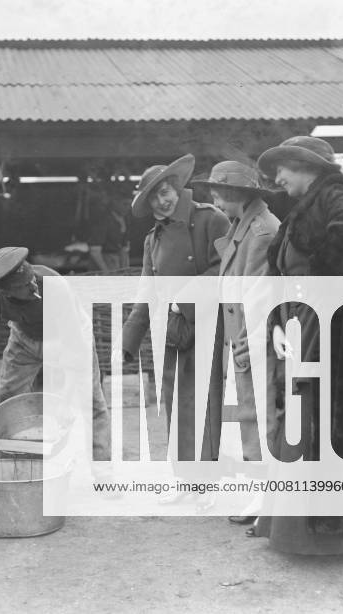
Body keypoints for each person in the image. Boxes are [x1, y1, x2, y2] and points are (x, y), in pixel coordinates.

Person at [254, 135, 343, 576]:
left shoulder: (334, 196)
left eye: (281, 171)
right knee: (303, 428)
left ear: (303, 165)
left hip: (330, 333)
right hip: (300, 328)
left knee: (339, 431)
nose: (277, 180)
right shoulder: (301, 209)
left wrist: (321, 298)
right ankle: (298, 530)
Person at [121, 155, 229, 503]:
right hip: (168, 333)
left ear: (177, 188)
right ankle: (185, 482)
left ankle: (208, 486)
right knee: (175, 408)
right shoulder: (152, 240)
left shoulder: (211, 220)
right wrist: (128, 342)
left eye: (164, 192)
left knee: (203, 407)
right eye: (153, 198)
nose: (161, 201)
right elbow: (146, 291)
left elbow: (226, 270)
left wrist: (186, 298)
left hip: (204, 326)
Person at [192, 160, 280, 523]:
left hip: (254, 339)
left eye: (219, 191)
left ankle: (270, 499)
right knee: (251, 416)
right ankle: (263, 495)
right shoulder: (243, 227)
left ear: (237, 193)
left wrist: (251, 341)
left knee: (262, 416)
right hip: (242, 336)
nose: (215, 198)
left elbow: (263, 298)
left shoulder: (260, 232)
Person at [0, 246, 111, 463]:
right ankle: (9, 464)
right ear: (6, 292)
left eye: (32, 280)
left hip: (68, 336)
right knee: (7, 400)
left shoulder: (54, 285)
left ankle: (102, 469)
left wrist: (64, 401)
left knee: (91, 401)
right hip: (24, 337)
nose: (33, 286)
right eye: (24, 286)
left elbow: (73, 346)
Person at [87, 184, 131, 272]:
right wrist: (106, 272)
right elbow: (94, 251)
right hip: (104, 262)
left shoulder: (125, 219)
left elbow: (124, 248)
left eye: (130, 204)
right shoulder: (103, 221)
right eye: (125, 204)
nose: (128, 208)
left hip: (117, 261)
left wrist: (125, 268)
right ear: (115, 202)